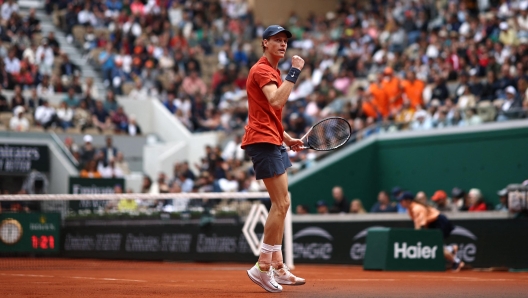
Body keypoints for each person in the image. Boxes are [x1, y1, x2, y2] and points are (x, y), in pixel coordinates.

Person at [243, 25, 305, 293]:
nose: (282, 44)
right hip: (262, 142)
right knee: (280, 204)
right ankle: (262, 267)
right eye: (277, 40)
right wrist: (295, 72)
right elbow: (277, 101)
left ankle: (278, 266)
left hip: (273, 139)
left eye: (285, 41)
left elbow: (271, 114)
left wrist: (287, 137)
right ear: (264, 43)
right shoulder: (262, 70)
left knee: (284, 203)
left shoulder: (273, 71)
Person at [397, 191, 464, 271]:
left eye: (401, 201)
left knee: (436, 246)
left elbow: (421, 225)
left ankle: (457, 262)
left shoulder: (417, 208)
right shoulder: (410, 210)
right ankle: (451, 249)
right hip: (433, 224)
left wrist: (416, 237)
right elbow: (418, 224)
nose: (400, 203)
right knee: (433, 245)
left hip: (440, 223)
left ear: (408, 200)